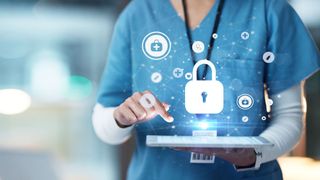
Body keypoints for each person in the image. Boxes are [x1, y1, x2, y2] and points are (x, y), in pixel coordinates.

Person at [92, 0, 320, 179]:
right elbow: (105, 127)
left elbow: (290, 117)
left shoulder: (268, 10)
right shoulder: (137, 15)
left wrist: (254, 154)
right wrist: (120, 118)